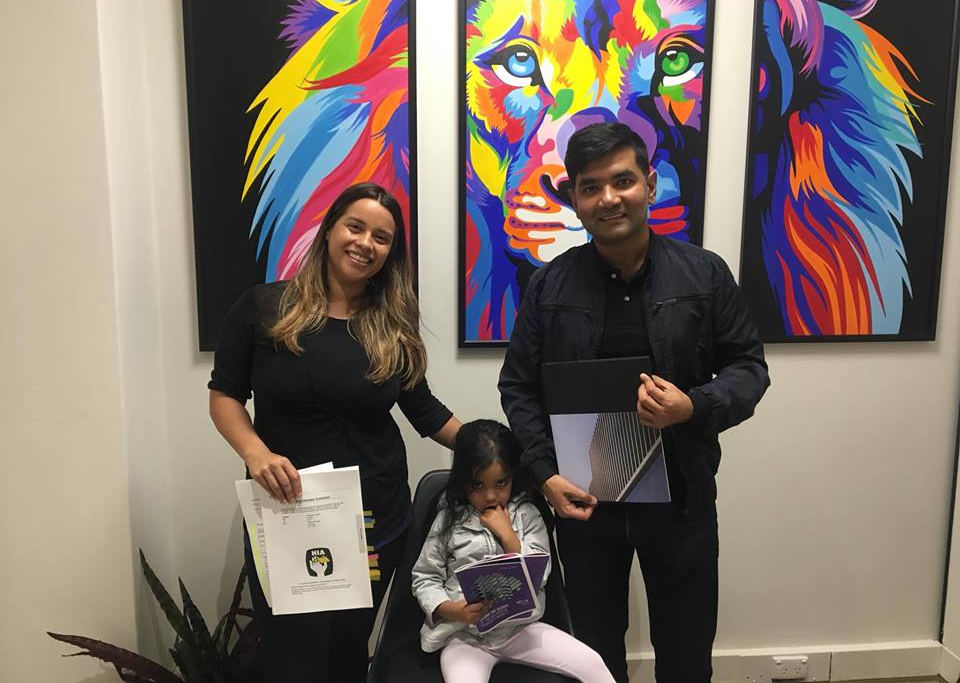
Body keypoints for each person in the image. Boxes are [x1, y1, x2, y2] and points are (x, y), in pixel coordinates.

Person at [499, 123, 770, 683]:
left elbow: (749, 369)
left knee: (686, 652)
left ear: (649, 184)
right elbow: (518, 386)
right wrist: (544, 474)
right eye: (591, 187)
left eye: (622, 181)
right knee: (592, 654)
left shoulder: (705, 274)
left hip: (682, 503)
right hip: (585, 504)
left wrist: (694, 406)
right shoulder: (548, 286)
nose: (608, 198)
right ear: (574, 199)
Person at [208, 182, 461, 683]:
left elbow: (425, 411)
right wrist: (256, 453)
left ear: (391, 252)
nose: (366, 243)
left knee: (348, 654)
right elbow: (224, 396)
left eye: (382, 238)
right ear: (329, 230)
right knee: (292, 658)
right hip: (287, 515)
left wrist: (495, 450)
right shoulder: (264, 308)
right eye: (355, 227)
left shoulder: (393, 323)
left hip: (376, 519)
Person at [411, 419, 616, 683]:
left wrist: (509, 537)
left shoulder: (527, 515)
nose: (490, 496)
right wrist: (450, 609)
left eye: (501, 483)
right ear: (463, 481)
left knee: (593, 664)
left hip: (521, 630)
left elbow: (540, 575)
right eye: (477, 485)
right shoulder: (448, 520)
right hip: (465, 638)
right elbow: (425, 577)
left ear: (512, 478)